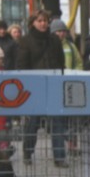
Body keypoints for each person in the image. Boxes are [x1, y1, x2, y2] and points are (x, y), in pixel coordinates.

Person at [17, 10, 69, 168]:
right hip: (34, 88)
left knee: (57, 123)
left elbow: (61, 62)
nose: (43, 23)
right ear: (33, 22)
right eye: (39, 21)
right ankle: (27, 151)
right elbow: (22, 66)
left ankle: (59, 156)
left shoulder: (54, 40)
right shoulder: (25, 41)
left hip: (53, 85)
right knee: (33, 123)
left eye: (45, 20)